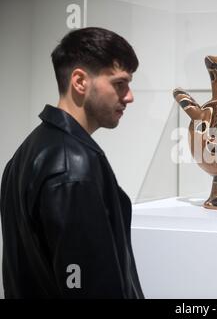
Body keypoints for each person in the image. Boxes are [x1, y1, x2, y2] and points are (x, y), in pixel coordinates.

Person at [0, 27, 144, 298]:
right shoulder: (73, 165)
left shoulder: (24, 154)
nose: (129, 96)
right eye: (119, 84)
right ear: (80, 82)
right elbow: (84, 284)